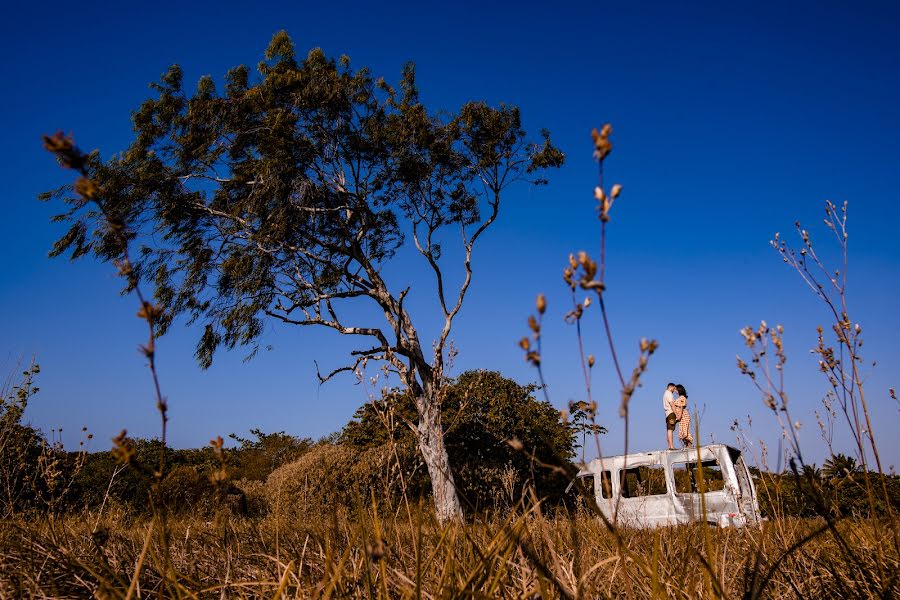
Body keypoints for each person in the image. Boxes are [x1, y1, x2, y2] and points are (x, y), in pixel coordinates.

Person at [663, 382, 677, 450]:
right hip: (671, 413)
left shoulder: (665, 394)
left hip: (667, 414)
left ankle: (670, 446)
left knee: (669, 429)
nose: (674, 390)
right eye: (674, 389)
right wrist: (676, 413)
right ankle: (671, 446)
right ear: (671, 387)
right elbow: (672, 404)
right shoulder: (669, 394)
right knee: (670, 429)